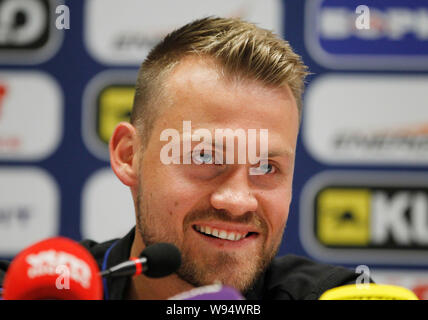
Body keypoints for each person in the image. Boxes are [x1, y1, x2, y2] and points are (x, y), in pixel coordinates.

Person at [0, 17, 361, 300]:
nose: (237, 202)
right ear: (129, 156)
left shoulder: (338, 297)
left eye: (266, 166)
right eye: (205, 157)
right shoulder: (33, 292)